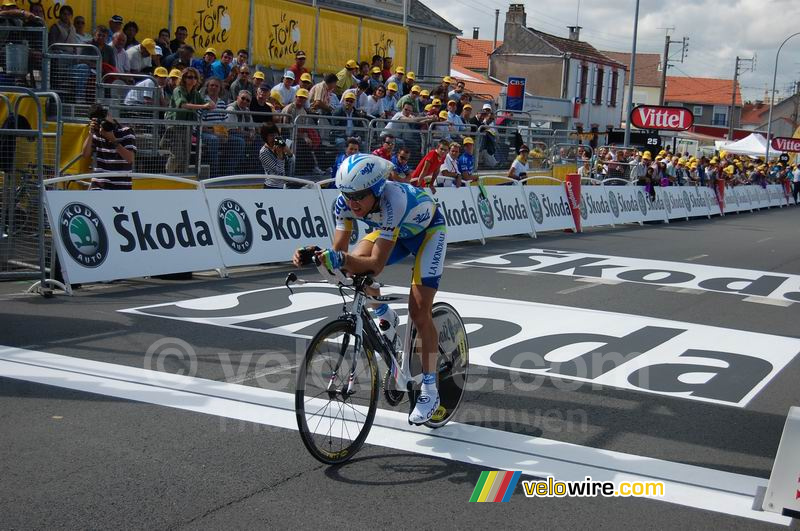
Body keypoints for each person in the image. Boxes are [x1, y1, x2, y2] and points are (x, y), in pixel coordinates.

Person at [292, 154, 447, 424]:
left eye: (359, 196)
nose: (352, 203)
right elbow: (339, 256)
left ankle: (430, 389)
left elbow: (375, 265)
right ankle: (384, 313)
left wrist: (339, 259)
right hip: (396, 233)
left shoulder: (393, 201)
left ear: (376, 190)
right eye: (347, 195)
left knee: (419, 311)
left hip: (427, 235)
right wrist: (317, 255)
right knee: (351, 267)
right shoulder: (345, 203)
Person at [81, 103, 136, 189]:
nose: (103, 124)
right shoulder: (96, 134)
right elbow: (85, 154)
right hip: (99, 185)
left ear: (109, 115)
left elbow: (130, 159)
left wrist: (113, 140)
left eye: (104, 120)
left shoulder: (126, 132)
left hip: (121, 187)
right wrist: (91, 133)